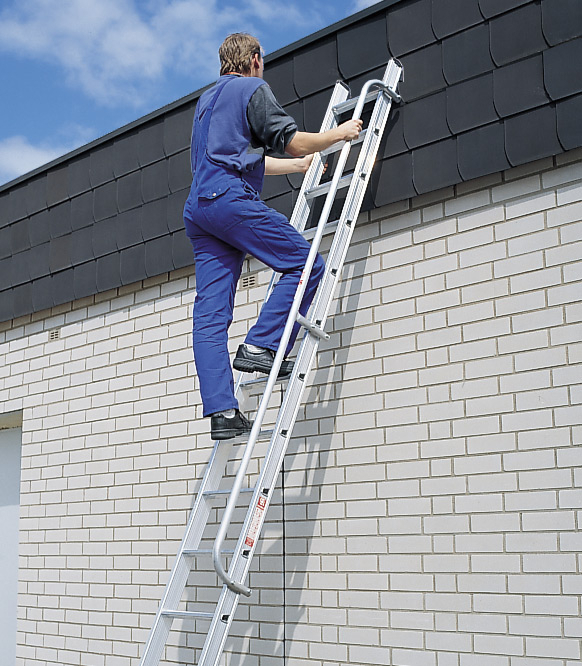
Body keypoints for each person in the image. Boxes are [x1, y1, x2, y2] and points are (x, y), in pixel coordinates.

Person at [183, 33, 362, 440]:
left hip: (201, 209)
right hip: (229, 199)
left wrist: (297, 167)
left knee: (210, 316)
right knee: (305, 263)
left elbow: (237, 157)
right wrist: (339, 133)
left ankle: (222, 412)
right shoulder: (252, 88)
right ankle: (261, 346)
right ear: (255, 59)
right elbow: (292, 139)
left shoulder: (206, 102)